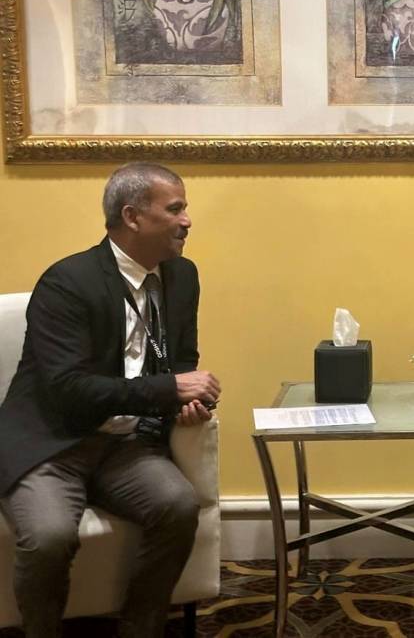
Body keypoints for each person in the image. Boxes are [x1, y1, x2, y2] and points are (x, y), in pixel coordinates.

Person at [0, 162, 221, 638]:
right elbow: (69, 389)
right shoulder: (67, 282)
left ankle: (140, 628)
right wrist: (169, 389)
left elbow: (181, 359)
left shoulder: (182, 276)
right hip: (53, 444)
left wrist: (188, 399)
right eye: (175, 209)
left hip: (126, 444)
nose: (187, 221)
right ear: (132, 216)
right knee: (49, 537)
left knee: (178, 506)